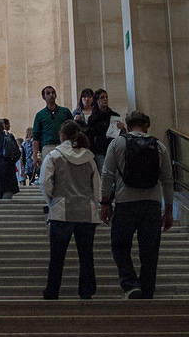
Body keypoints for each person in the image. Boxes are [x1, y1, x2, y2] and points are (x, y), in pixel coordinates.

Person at [99, 110, 175, 300]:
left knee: (119, 245)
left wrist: (105, 202)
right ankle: (147, 291)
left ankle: (131, 285)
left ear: (127, 123)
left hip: (125, 202)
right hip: (152, 203)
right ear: (147, 125)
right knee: (150, 251)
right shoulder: (159, 145)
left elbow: (107, 174)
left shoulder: (118, 143)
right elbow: (167, 179)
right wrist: (169, 210)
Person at [39, 120, 102, 299]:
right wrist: (95, 203)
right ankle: (86, 291)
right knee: (86, 256)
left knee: (57, 257)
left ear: (62, 135)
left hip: (62, 211)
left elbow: (45, 183)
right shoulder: (89, 158)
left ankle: (52, 291)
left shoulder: (54, 156)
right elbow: (97, 186)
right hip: (86, 212)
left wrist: (52, 201)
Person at [32, 86, 74, 171]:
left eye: (53, 92)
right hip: (47, 147)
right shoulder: (40, 115)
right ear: (43, 97)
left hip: (64, 146)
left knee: (65, 172)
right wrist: (35, 154)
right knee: (48, 173)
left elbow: (73, 129)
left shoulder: (65, 112)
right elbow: (36, 136)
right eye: (48, 93)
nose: (51, 95)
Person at [86, 88, 125, 172]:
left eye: (106, 97)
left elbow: (121, 135)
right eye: (102, 98)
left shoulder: (114, 115)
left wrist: (122, 129)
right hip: (100, 151)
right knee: (104, 174)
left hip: (113, 149)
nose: (105, 99)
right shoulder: (93, 118)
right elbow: (90, 137)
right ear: (97, 100)